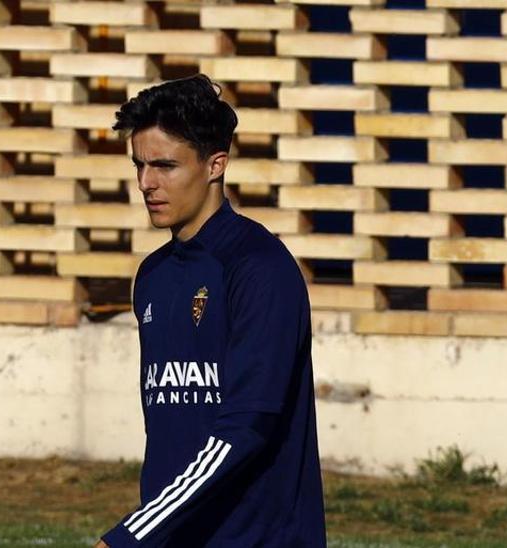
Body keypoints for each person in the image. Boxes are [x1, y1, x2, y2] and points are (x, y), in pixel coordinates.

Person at [95, 74, 326, 547]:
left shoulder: (261, 270)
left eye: (165, 166)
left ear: (216, 164)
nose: (146, 183)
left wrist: (129, 536)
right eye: (139, 165)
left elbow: (246, 427)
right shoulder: (153, 275)